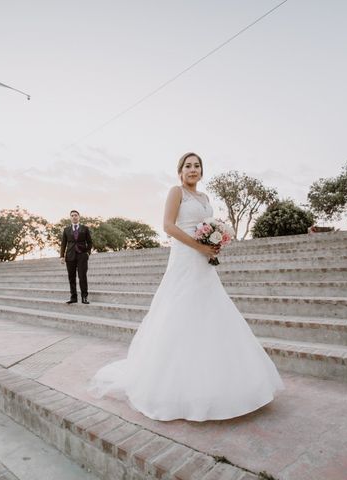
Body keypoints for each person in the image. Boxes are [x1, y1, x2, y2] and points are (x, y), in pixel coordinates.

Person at [89, 152, 284, 421]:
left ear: (202, 171)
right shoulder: (176, 192)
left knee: (212, 311)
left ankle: (223, 384)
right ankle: (172, 387)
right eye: (188, 166)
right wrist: (199, 246)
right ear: (180, 171)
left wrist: (213, 246)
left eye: (197, 166)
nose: (193, 170)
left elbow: (206, 227)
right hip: (184, 257)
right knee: (179, 310)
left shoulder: (205, 199)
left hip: (204, 261)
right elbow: (168, 226)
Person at [60, 210, 93, 304]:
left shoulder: (85, 228)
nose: (74, 217)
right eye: (72, 215)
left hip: (82, 255)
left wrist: (87, 253)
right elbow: (63, 244)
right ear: (70, 217)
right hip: (70, 256)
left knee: (82, 276)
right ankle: (73, 297)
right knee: (71, 277)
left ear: (79, 217)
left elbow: (90, 242)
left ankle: (84, 297)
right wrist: (62, 256)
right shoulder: (66, 230)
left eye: (75, 215)